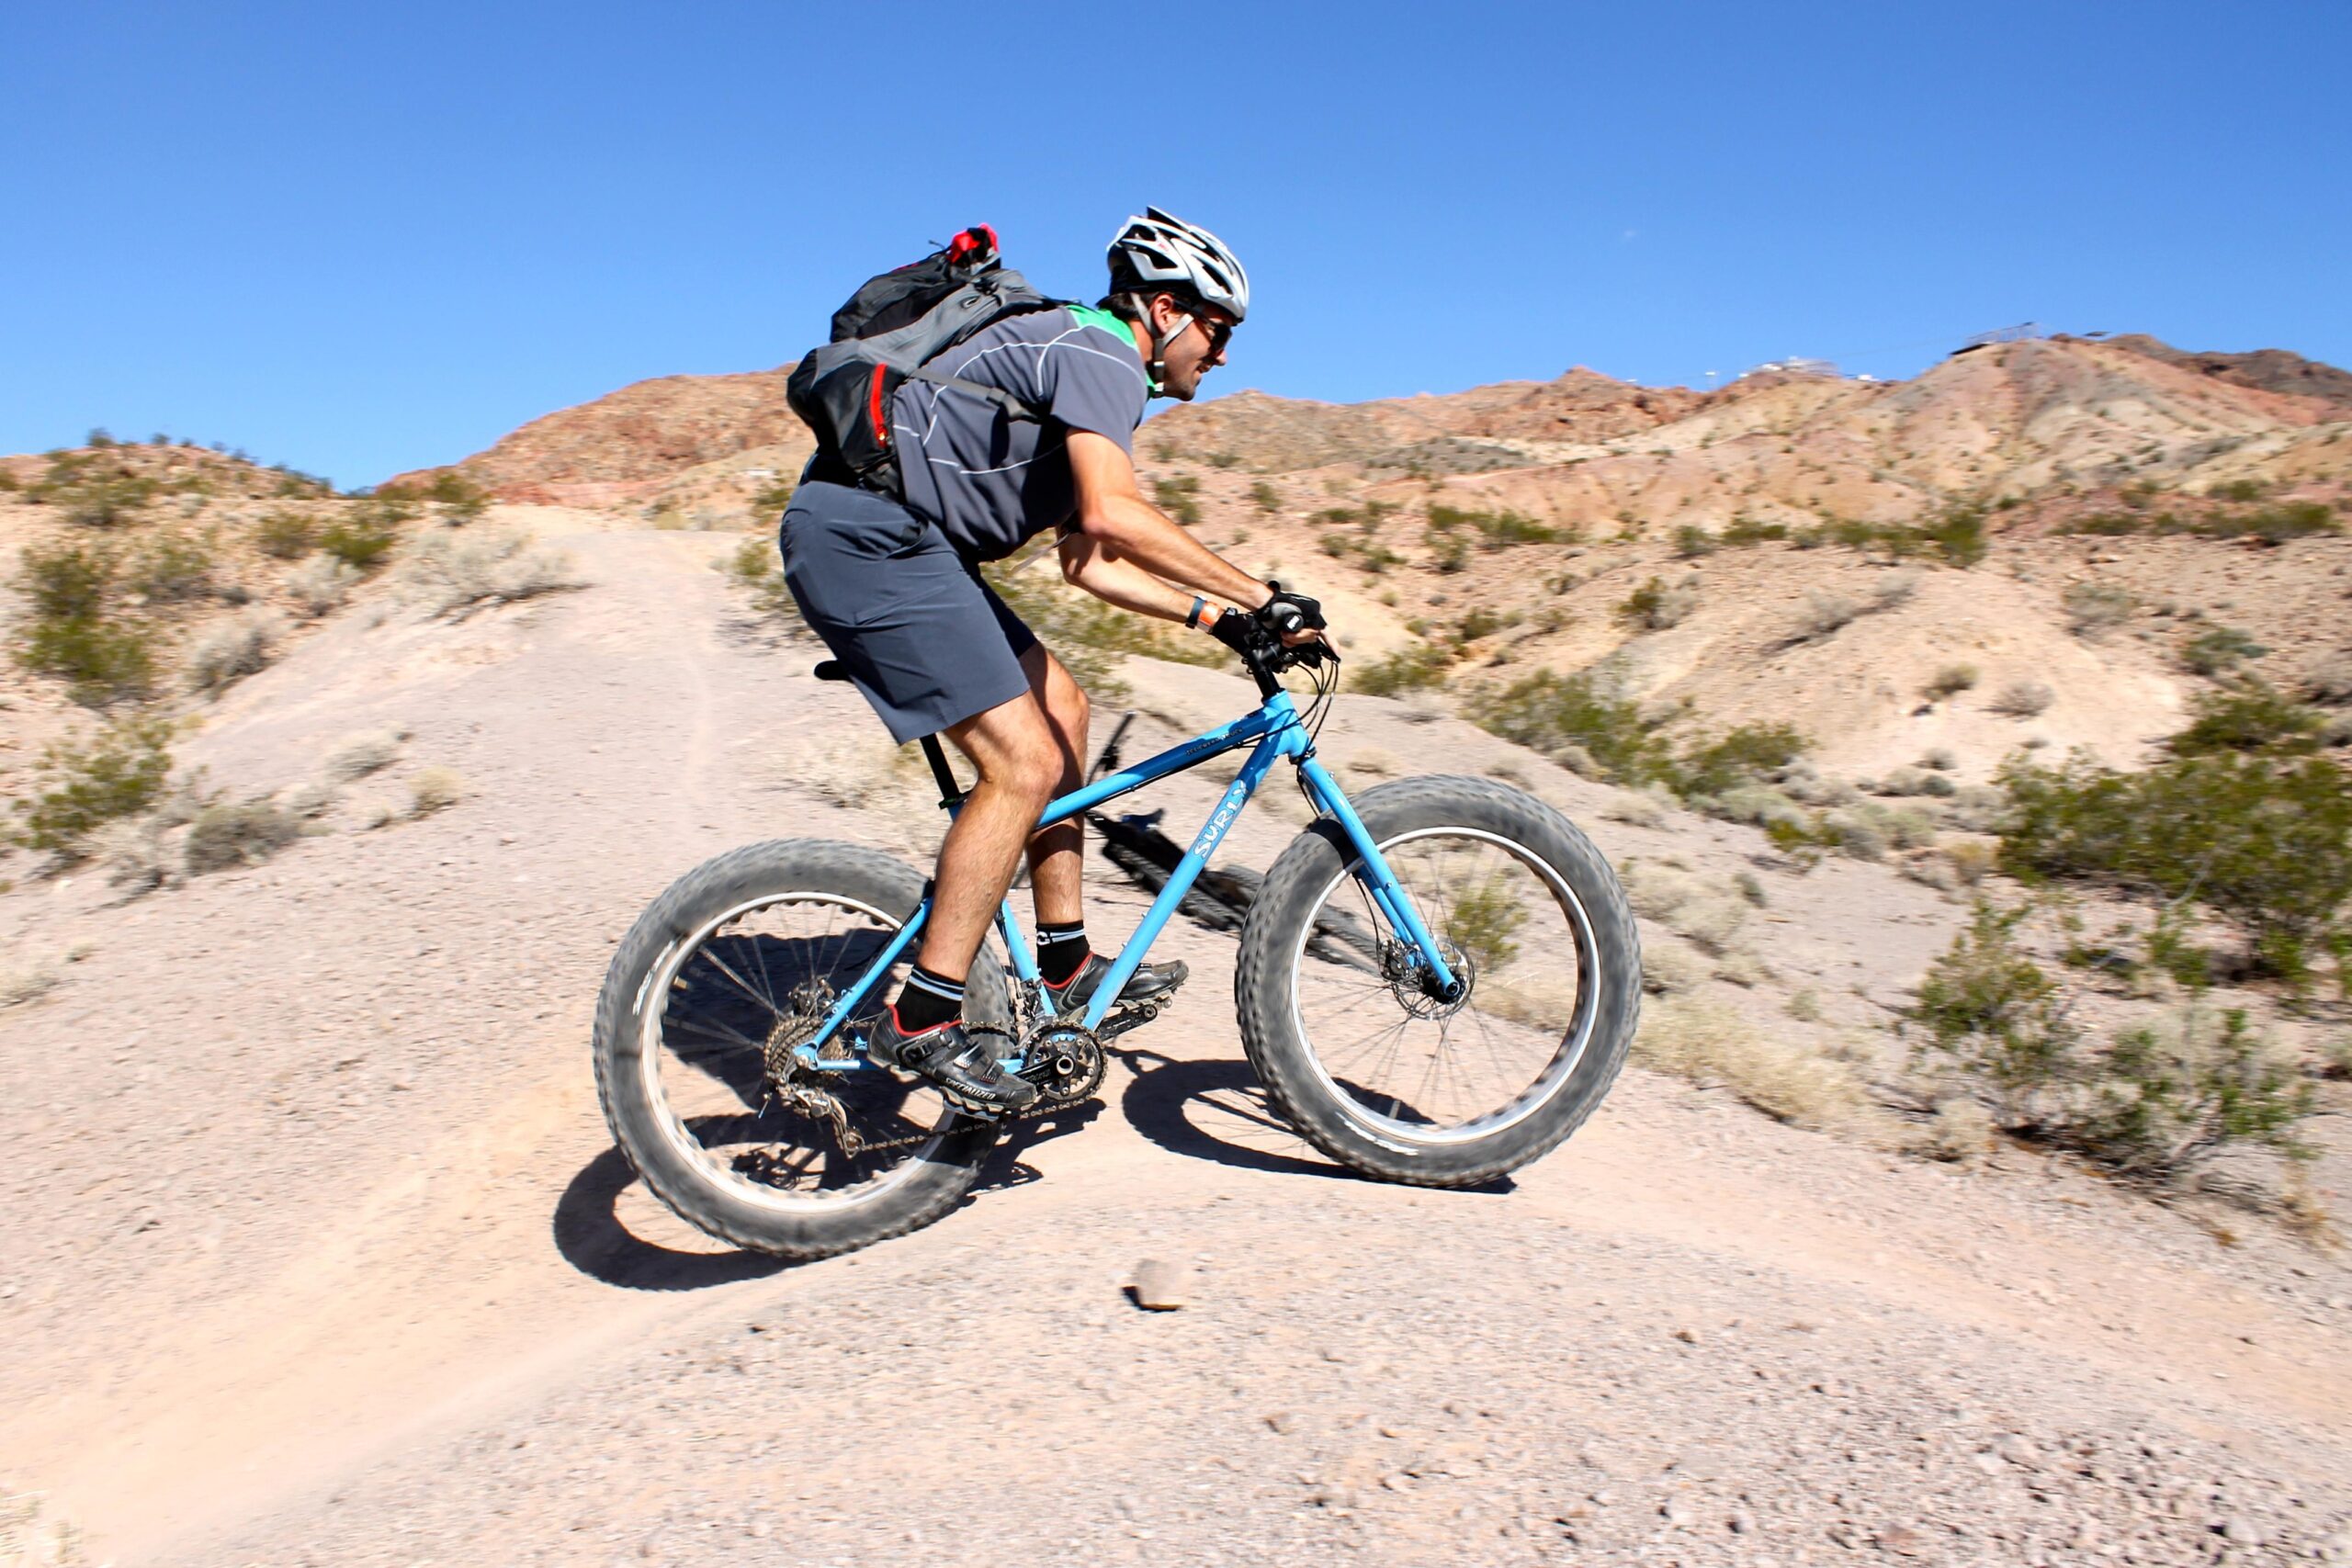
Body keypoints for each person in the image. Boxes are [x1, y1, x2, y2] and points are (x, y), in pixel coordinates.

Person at [778, 208, 1332, 1112]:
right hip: (868, 538)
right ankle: (920, 1020)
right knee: (1024, 762)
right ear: (1163, 308)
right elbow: (1116, 516)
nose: (1222, 355)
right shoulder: (1101, 351)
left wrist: (1217, 618)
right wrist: (1260, 595)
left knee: (1064, 710)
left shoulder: (1088, 359)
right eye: (1217, 330)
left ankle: (1067, 968)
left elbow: (1086, 557)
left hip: (900, 544)